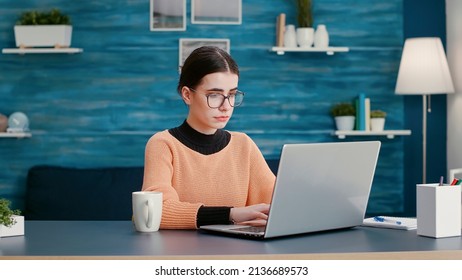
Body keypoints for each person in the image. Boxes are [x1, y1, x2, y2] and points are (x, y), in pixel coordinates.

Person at [142, 46, 275, 229]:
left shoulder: (244, 145)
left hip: (237, 254)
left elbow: (280, 203)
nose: (226, 106)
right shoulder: (163, 144)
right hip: (180, 254)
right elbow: (157, 211)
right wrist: (231, 214)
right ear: (187, 95)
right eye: (214, 95)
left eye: (232, 95)